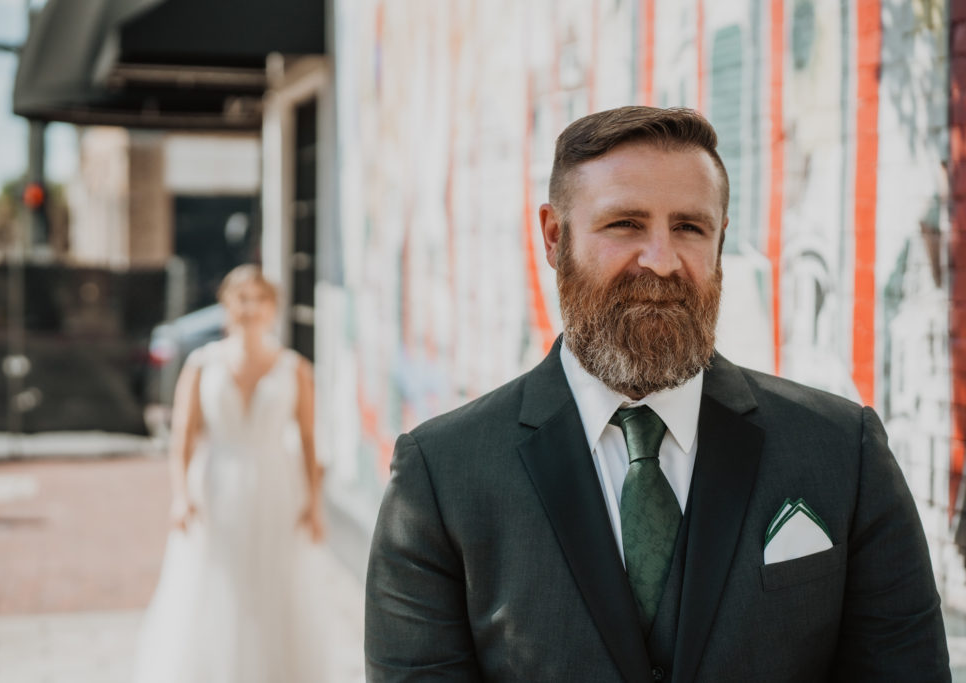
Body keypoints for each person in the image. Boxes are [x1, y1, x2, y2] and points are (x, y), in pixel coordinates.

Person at [365, 106, 951, 682]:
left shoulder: (842, 451)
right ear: (553, 236)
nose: (662, 260)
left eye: (689, 228)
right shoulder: (441, 476)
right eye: (625, 224)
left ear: (720, 241)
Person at [133, 264, 326, 683]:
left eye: (258, 299)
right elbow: (183, 436)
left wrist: (314, 503)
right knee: (213, 587)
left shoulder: (296, 369)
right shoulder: (202, 365)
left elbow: (310, 441)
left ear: (273, 308)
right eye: (240, 298)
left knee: (274, 585)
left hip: (277, 489)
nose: (249, 308)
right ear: (225, 306)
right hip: (216, 489)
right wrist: (180, 496)